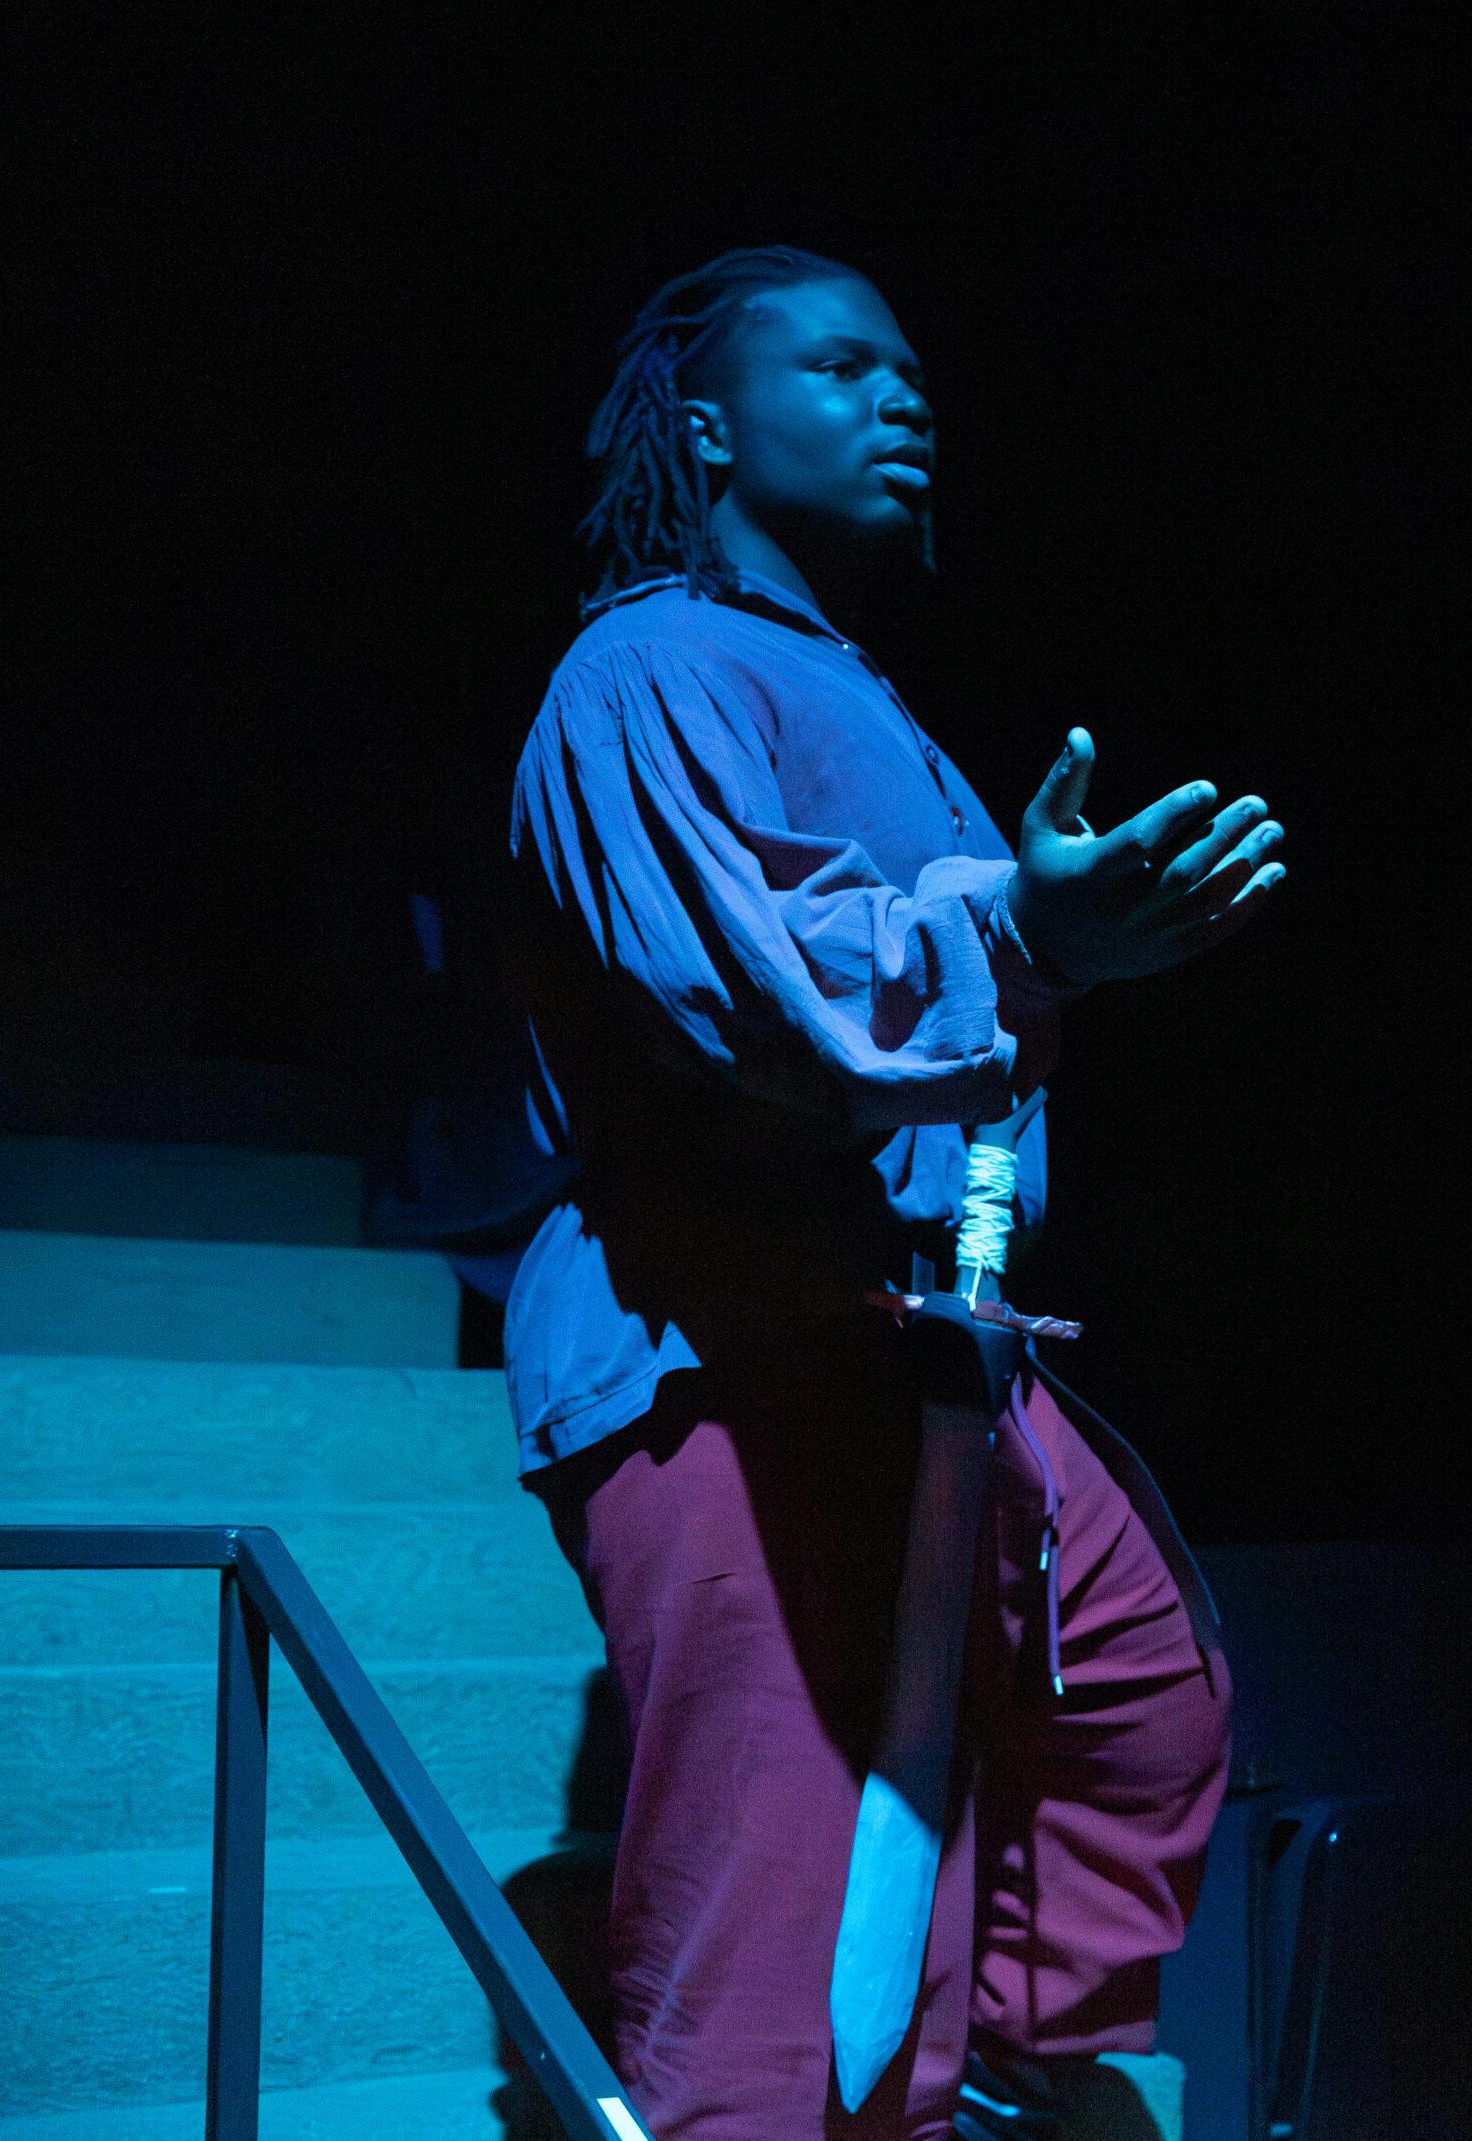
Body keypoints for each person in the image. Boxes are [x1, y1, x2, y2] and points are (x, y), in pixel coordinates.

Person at [506, 245, 1285, 2141]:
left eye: (912, 370)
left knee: (1142, 1696)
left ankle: (991, 2056)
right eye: (844, 367)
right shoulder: (647, 665)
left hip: (937, 1340)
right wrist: (1028, 930)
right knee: (779, 1941)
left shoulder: (868, 699)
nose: (903, 397)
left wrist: (1041, 932)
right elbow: (751, 981)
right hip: (732, 1330)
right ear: (707, 428)